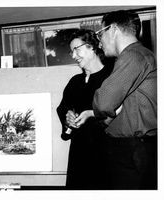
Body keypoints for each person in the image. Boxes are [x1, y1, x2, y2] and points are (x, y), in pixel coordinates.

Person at [92, 10, 157, 189]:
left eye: (100, 33)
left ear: (112, 29)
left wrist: (103, 114)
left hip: (131, 151)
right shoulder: (139, 56)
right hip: (135, 149)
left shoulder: (133, 56)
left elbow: (103, 102)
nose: (99, 40)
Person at [56, 29, 114, 189]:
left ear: (92, 47)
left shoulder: (112, 77)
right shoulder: (75, 82)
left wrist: (91, 115)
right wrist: (67, 117)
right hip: (79, 152)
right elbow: (63, 108)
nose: (73, 56)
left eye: (77, 49)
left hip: (107, 152)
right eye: (71, 51)